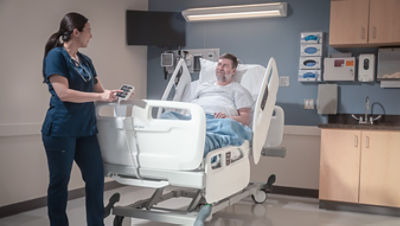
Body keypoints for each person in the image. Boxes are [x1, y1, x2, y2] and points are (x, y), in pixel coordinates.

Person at [41, 12, 121, 226]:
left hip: (85, 130)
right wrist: (98, 96)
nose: (91, 36)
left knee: (95, 178)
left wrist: (112, 94)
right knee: (60, 184)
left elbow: (99, 90)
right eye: (89, 31)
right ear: (76, 32)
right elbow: (63, 93)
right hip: (61, 130)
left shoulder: (85, 60)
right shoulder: (56, 56)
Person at [191, 53, 253, 126]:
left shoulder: (239, 90)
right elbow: (190, 107)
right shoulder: (203, 86)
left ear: (233, 71)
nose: (220, 68)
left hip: (218, 123)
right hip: (195, 120)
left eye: (225, 66)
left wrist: (227, 118)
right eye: (219, 64)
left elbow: (245, 119)